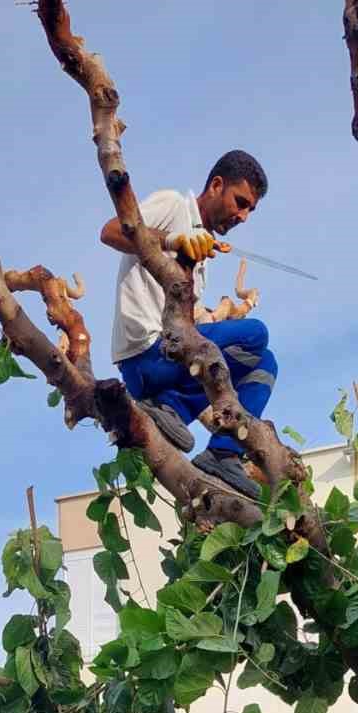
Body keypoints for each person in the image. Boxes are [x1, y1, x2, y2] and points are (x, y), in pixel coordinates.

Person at [102, 150, 277, 502]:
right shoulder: (174, 206)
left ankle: (220, 451)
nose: (242, 216)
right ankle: (170, 406)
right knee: (256, 334)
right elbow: (109, 231)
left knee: (265, 362)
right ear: (215, 185)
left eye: (250, 211)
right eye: (240, 202)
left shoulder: (203, 255)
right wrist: (171, 240)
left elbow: (191, 330)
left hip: (168, 362)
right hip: (144, 354)